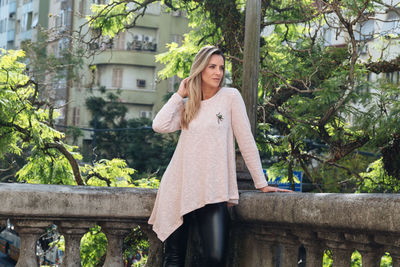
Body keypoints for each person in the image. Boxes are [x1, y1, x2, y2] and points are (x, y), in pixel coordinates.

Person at [148, 46, 291, 267]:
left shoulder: (230, 97)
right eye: (212, 67)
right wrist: (179, 95)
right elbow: (159, 125)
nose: (218, 72)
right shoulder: (188, 105)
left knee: (215, 258)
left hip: (214, 189)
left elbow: (246, 141)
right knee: (173, 259)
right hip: (179, 187)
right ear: (199, 70)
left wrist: (261, 183)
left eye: (221, 67)